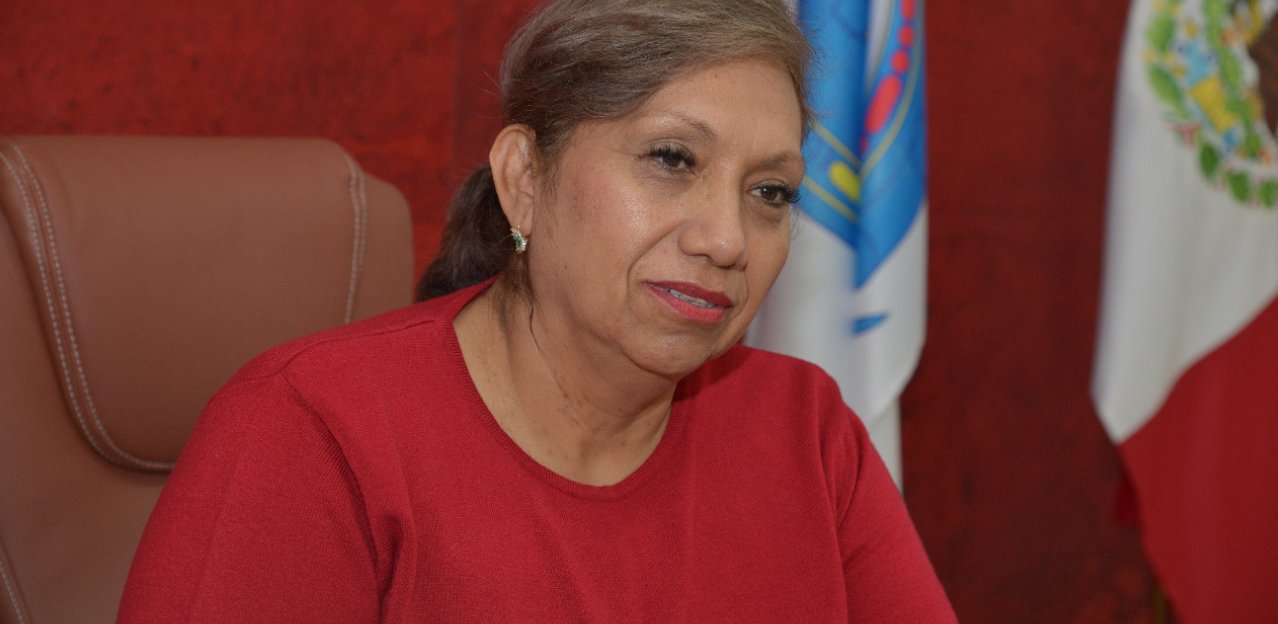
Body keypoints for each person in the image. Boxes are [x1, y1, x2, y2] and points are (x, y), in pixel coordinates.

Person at [118, 0, 957, 621]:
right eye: (672, 158)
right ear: (526, 178)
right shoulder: (309, 431)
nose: (727, 239)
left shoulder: (807, 433)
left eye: (769, 192)